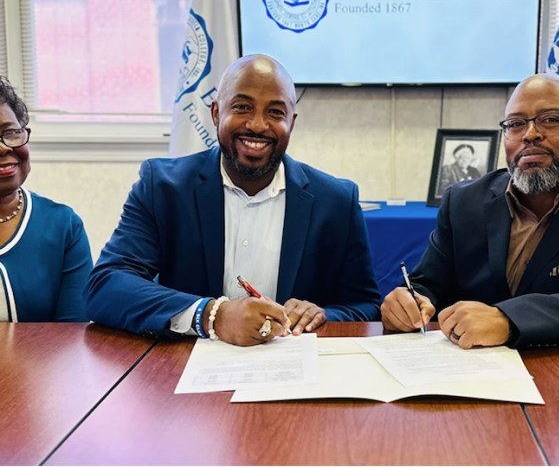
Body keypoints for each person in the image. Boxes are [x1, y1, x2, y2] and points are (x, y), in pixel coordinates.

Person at [86, 54, 380, 345]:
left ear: (292, 122)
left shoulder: (336, 201)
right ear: (216, 113)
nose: (257, 125)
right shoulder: (163, 186)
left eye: (276, 113)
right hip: (182, 369)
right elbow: (106, 285)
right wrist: (212, 316)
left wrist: (322, 315)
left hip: (295, 372)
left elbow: (365, 307)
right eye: (242, 107)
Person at [381, 73, 559, 348]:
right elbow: (427, 284)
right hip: (470, 368)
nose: (530, 135)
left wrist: (509, 319)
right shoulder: (464, 202)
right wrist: (409, 300)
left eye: (551, 120)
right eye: (515, 124)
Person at [0, 77, 92, 322]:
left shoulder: (63, 226)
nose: (3, 148)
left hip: (40, 362)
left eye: (10, 132)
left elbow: (73, 335)